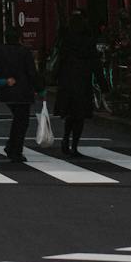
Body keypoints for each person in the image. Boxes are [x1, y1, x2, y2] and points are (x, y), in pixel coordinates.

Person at [53, 10, 104, 158]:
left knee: (70, 114)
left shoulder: (66, 38)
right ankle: (74, 145)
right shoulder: (88, 40)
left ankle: (65, 139)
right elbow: (96, 63)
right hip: (83, 81)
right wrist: (103, 84)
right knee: (79, 116)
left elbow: (59, 59)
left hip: (67, 81)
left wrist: (52, 78)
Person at [0, 30, 40, 163]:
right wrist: (40, 88)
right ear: (19, 38)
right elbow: (32, 72)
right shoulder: (24, 52)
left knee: (18, 119)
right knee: (22, 122)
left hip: (6, 90)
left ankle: (12, 146)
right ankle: (15, 150)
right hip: (23, 92)